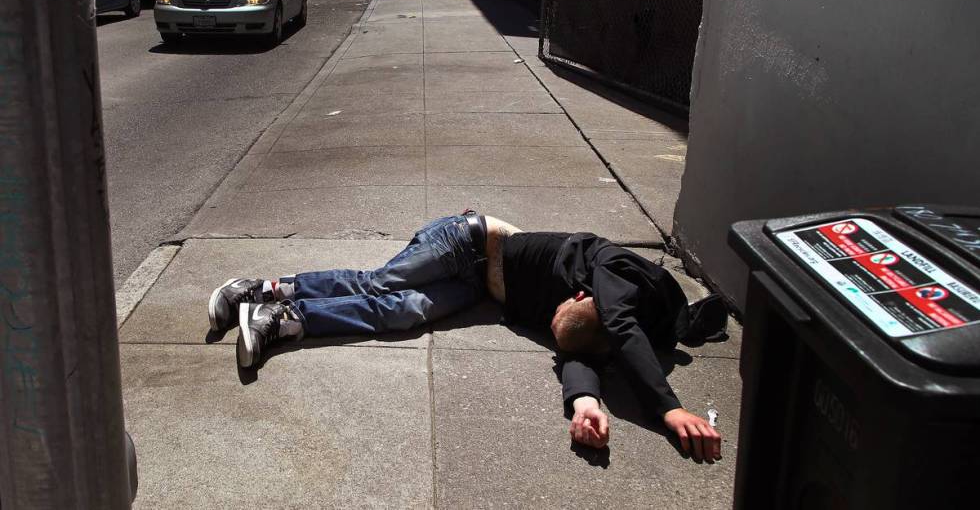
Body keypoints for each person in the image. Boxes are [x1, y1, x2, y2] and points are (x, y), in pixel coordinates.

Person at [208, 212, 727, 461]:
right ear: (590, 295)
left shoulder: (612, 321)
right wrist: (667, 410)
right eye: (573, 299)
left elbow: (583, 348)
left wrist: (585, 402)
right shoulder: (619, 270)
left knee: (401, 315)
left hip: (478, 288)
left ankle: (280, 319)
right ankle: (262, 288)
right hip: (469, 241)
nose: (565, 299)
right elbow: (614, 328)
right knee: (381, 281)